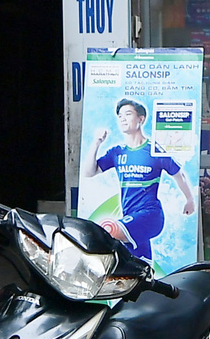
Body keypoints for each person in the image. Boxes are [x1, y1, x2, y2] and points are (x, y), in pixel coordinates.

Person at [82, 98, 195, 261]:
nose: (122, 118)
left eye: (128, 114)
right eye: (120, 116)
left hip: (150, 215)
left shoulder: (154, 149)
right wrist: (96, 142)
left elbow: (179, 174)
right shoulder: (117, 152)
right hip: (131, 218)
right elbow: (89, 172)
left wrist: (189, 200)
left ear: (140, 119)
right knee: (137, 270)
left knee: (108, 230)